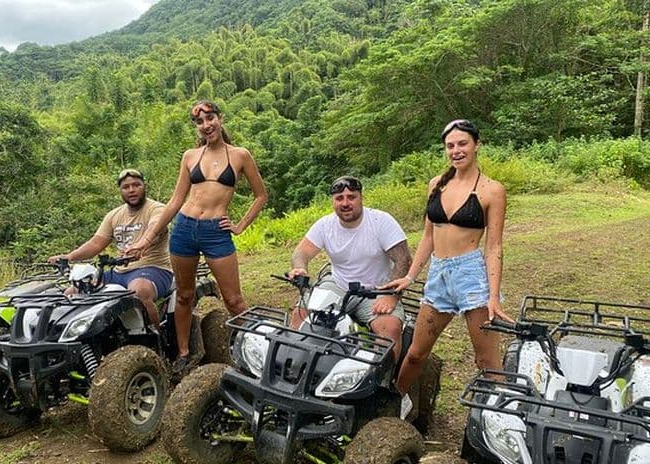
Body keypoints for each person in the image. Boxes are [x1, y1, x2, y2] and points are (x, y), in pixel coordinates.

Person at [127, 100, 267, 375]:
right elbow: (176, 200)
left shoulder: (240, 155)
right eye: (200, 122)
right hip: (184, 229)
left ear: (220, 118)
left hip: (216, 232)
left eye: (210, 118)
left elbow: (261, 195)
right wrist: (147, 239)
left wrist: (239, 226)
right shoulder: (190, 156)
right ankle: (183, 353)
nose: (206, 125)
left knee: (234, 300)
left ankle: (257, 349)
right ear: (197, 127)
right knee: (184, 296)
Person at [381, 119, 511, 405]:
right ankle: (393, 405)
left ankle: (501, 417)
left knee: (487, 360)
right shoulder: (437, 185)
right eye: (450, 146)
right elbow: (428, 236)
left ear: (477, 145)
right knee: (416, 353)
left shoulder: (492, 190)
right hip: (439, 276)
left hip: (472, 276)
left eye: (462, 143)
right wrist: (411, 276)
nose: (456, 150)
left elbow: (494, 246)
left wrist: (492, 297)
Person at [288, 176, 412, 360]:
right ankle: (295, 364)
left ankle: (383, 381)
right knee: (301, 314)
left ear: (361, 198)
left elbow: (403, 260)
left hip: (376, 289)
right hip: (338, 284)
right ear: (333, 201)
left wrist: (391, 294)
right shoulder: (325, 225)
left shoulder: (381, 221)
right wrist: (300, 269)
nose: (345, 203)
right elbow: (301, 252)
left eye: (351, 197)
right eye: (339, 198)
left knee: (390, 329)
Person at [49, 168, 173, 328]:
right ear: (120, 191)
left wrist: (141, 245)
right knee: (72, 292)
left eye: (136, 185)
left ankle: (155, 339)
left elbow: (155, 229)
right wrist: (69, 257)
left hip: (153, 268)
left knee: (138, 291)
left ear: (144, 186)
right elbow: (96, 243)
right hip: (118, 272)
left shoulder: (156, 209)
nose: (132, 190)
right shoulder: (114, 215)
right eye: (126, 187)